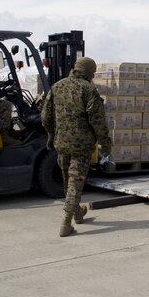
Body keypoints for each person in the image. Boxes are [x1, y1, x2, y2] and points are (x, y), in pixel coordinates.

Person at [42, 56, 113, 237]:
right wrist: (105, 143)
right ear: (89, 72)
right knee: (75, 181)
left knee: (68, 179)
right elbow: (97, 121)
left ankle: (78, 213)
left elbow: (46, 117)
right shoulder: (88, 90)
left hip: (62, 143)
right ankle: (66, 223)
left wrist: (52, 136)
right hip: (81, 146)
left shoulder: (57, 87)